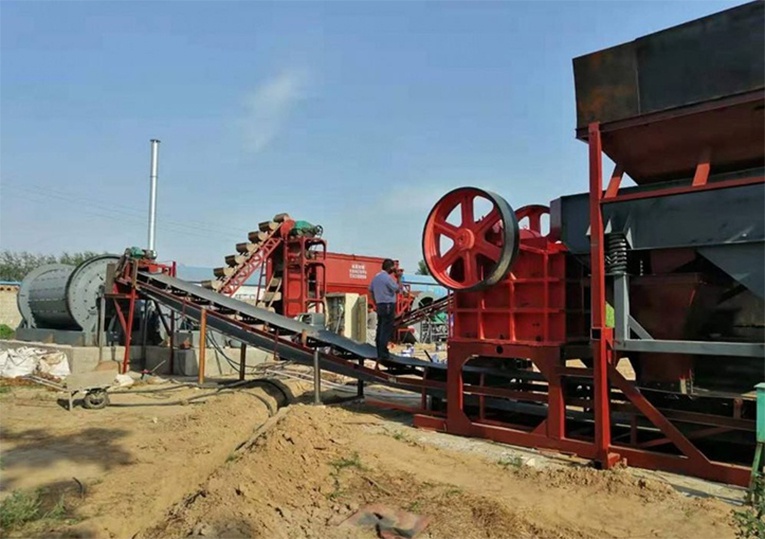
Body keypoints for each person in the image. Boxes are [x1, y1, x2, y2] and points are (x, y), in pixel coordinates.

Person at [368, 258, 403, 360]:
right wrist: (399, 278)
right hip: (388, 305)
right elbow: (398, 289)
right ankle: (384, 354)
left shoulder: (376, 277)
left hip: (380, 305)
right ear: (390, 267)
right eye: (393, 267)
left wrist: (375, 302)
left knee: (380, 328)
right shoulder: (387, 278)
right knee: (386, 330)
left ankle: (379, 351)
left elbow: (371, 290)